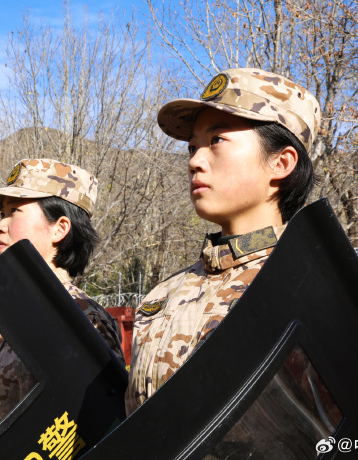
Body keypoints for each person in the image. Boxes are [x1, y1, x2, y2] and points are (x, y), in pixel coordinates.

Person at [125, 68, 321, 414]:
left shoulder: (311, 289)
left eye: (216, 141)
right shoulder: (162, 297)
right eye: (192, 148)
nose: (195, 162)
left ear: (281, 162)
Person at [0, 158, 126, 445]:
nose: (0, 225)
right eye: (2, 214)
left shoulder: (82, 318)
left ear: (59, 228)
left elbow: (100, 429)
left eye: (14, 211)